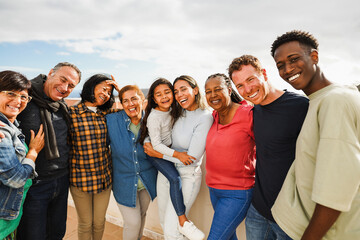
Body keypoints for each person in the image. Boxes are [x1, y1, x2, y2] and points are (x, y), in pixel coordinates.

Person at [270, 30, 360, 240]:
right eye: (280, 65)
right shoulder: (321, 99)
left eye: (294, 59)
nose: (288, 69)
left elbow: (335, 190)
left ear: (314, 57)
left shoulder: (335, 101)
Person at [228, 55, 309, 240]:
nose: (247, 89)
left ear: (263, 73)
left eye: (251, 79)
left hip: (290, 216)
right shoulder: (252, 112)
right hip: (258, 210)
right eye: (240, 86)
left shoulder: (300, 107)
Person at [17, 62, 81, 240]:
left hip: (61, 180)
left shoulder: (62, 107)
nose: (65, 88)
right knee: (32, 235)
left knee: (57, 232)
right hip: (33, 184)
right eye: (63, 79)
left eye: (71, 86)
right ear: (51, 73)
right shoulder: (25, 96)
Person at [145, 75, 213, 240]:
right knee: (164, 222)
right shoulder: (177, 110)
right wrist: (149, 144)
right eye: (176, 91)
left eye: (184, 89)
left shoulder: (204, 117)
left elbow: (192, 159)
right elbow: (156, 132)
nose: (179, 94)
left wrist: (158, 154)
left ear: (195, 90)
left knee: (172, 231)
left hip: (186, 176)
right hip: (166, 173)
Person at [68, 74, 120, 240]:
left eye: (109, 92)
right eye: (104, 89)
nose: (106, 94)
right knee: (85, 223)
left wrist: (120, 91)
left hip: (104, 179)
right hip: (80, 180)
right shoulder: (71, 113)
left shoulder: (107, 114)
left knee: (99, 222)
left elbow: (133, 111)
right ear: (91, 86)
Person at [204, 73, 256, 240]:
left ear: (228, 89)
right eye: (208, 91)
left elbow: (268, 147)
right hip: (214, 189)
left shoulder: (248, 114)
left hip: (237, 193)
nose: (213, 95)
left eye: (217, 89)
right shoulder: (214, 116)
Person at [106, 85, 158, 240]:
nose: (130, 104)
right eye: (125, 101)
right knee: (133, 222)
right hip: (123, 182)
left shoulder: (151, 121)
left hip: (147, 181)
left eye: (134, 99)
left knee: (142, 216)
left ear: (143, 100)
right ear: (121, 104)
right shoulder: (112, 120)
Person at [0, 71, 44, 240]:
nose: (18, 101)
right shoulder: (2, 132)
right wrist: (33, 152)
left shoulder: (12, 125)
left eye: (23, 97)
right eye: (10, 93)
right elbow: (15, 179)